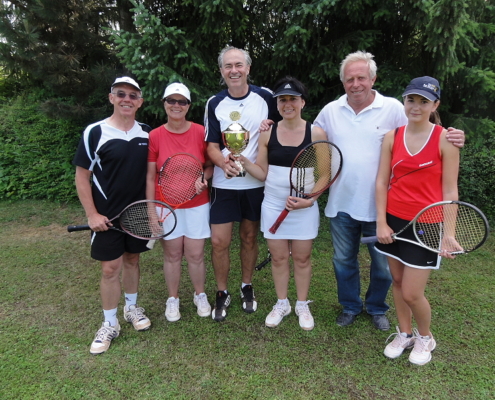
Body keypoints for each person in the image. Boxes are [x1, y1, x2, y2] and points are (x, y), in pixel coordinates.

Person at [313, 51, 465, 331]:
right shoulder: (330, 111)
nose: (355, 84)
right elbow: (310, 136)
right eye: (349, 79)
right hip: (342, 204)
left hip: (382, 209)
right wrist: (268, 126)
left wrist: (453, 135)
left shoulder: (394, 107)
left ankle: (376, 308)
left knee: (383, 267)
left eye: (361, 77)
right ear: (343, 82)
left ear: (373, 79)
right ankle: (349, 306)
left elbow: (421, 129)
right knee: (343, 261)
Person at [374, 76, 459, 365]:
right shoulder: (392, 136)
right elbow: (382, 181)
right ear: (404, 101)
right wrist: (381, 222)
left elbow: (450, 190)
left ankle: (425, 336)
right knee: (397, 281)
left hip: (428, 224)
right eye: (411, 99)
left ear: (435, 104)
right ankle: (405, 333)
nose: (416, 106)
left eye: (424, 101)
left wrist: (448, 233)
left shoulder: (445, 139)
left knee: (412, 291)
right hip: (394, 221)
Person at [73, 76, 152, 355]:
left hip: (138, 214)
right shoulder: (95, 132)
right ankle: (109, 323)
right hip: (106, 217)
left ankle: (132, 308)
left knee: (132, 260)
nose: (126, 99)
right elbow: (82, 176)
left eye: (132, 95)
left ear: (140, 102)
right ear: (111, 98)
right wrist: (92, 214)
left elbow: (154, 175)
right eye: (121, 94)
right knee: (110, 269)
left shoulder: (147, 133)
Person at [240, 77, 326, 330]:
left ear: (303, 102)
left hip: (304, 206)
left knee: (302, 258)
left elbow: (325, 173)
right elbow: (263, 173)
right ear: (277, 104)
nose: (288, 104)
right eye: (282, 100)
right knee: (278, 258)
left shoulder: (316, 132)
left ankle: (301, 304)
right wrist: (243, 161)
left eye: (293, 99)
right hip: (273, 204)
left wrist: (310, 200)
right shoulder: (268, 132)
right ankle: (282, 303)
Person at [205, 46, 279, 322]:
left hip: (256, 185)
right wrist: (222, 164)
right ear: (222, 71)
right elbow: (211, 145)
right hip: (224, 185)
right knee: (219, 241)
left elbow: (281, 132)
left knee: (249, 237)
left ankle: (247, 285)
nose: (233, 70)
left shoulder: (266, 97)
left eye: (238, 65)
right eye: (228, 66)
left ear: (248, 68)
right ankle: (222, 291)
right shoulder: (215, 102)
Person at [146, 82, 213, 322]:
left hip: (197, 204)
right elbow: (150, 176)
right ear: (164, 104)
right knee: (172, 255)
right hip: (166, 206)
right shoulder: (154, 135)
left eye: (181, 101)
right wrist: (151, 211)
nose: (176, 105)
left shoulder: (199, 132)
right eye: (171, 101)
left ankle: (200, 294)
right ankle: (172, 299)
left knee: (195, 255)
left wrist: (202, 179)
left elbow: (209, 164)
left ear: (188, 106)